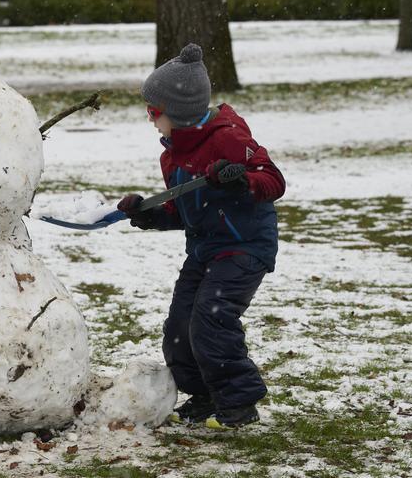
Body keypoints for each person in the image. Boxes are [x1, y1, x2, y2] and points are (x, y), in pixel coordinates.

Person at [118, 43, 286, 429]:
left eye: (153, 112)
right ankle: (205, 394)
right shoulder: (173, 154)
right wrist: (148, 215)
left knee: (211, 321)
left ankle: (239, 401)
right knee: (179, 328)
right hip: (205, 250)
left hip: (244, 247)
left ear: (177, 111)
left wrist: (239, 179)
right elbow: (183, 213)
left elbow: (273, 181)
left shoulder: (226, 138)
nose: (150, 120)